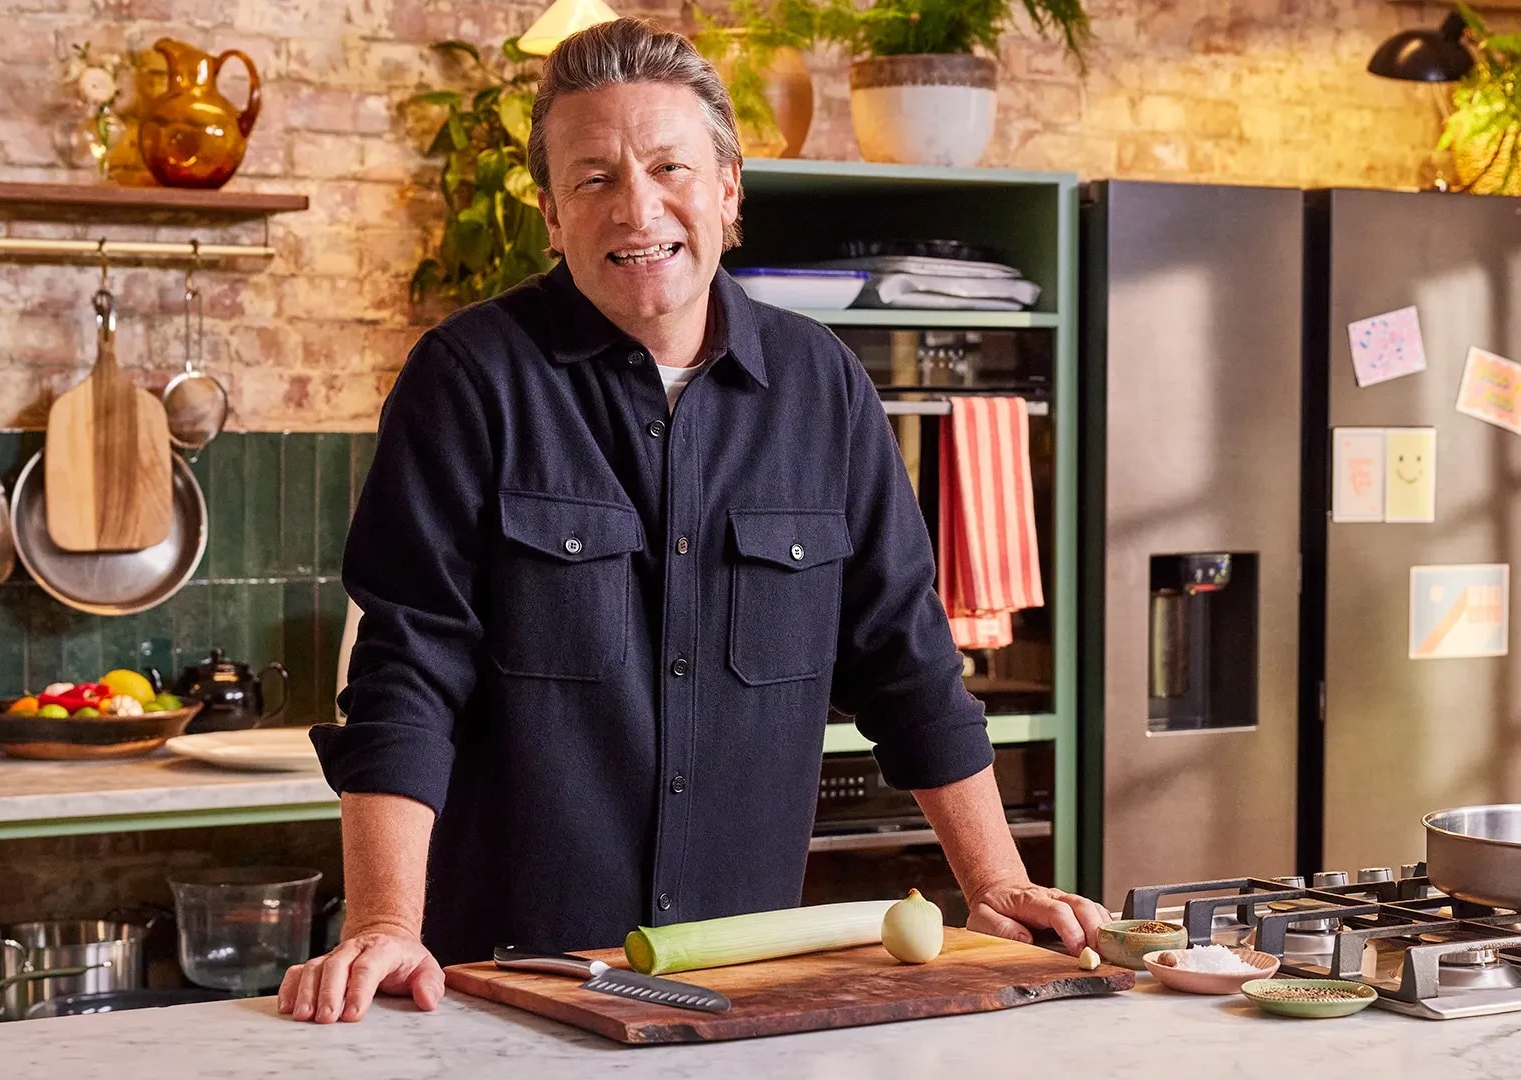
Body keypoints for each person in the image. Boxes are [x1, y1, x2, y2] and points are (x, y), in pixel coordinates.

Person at [279, 17, 1106, 1025]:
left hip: (743, 990)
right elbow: (408, 668)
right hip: (510, 983)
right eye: (594, 178)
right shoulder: (469, 380)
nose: (637, 207)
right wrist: (382, 922)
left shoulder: (824, 387)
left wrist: (996, 879)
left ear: (727, 192)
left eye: (670, 167)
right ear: (551, 215)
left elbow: (907, 660)